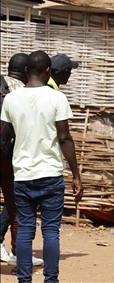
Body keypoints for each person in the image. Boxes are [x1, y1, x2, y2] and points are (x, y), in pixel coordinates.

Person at [1, 50, 83, 283]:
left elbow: (6, 135)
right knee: (50, 232)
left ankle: (24, 280)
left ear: (27, 70)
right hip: (50, 175)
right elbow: (65, 138)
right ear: (48, 71)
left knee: (26, 230)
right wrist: (76, 175)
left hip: (23, 174)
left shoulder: (11, 99)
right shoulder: (56, 98)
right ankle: (51, 280)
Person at [0, 53, 43, 267]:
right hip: (10, 159)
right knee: (17, 208)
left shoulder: (2, 85)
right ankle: (19, 254)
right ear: (27, 71)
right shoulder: (23, 93)